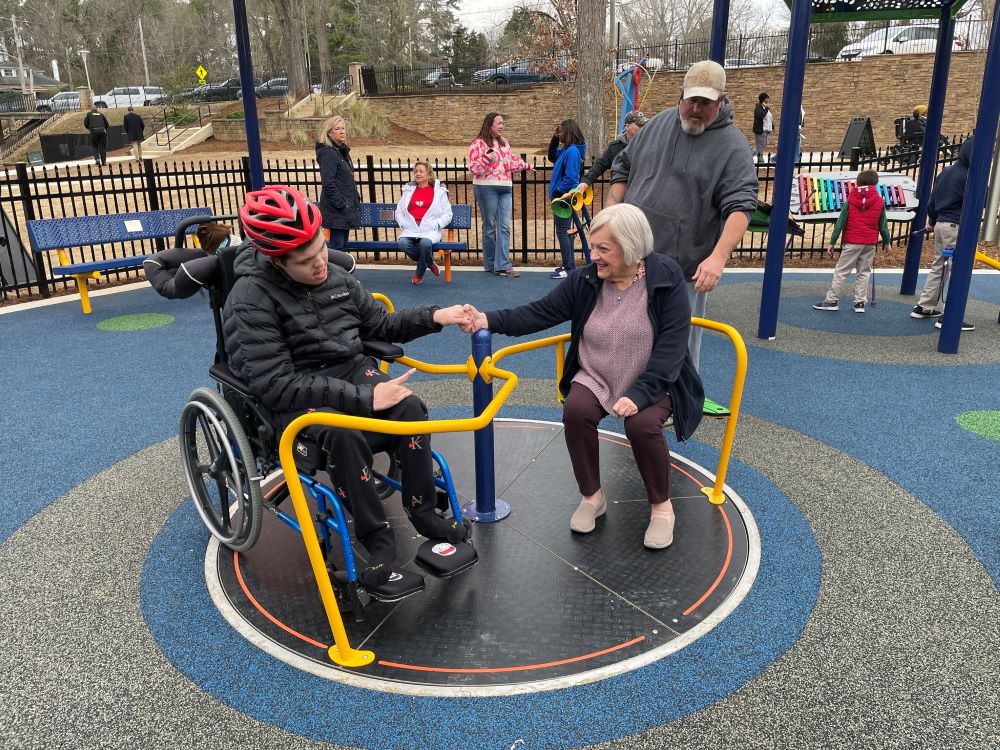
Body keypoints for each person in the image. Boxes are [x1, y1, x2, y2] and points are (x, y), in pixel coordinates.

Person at [223, 185, 471, 587]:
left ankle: (425, 514)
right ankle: (378, 544)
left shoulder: (336, 277)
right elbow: (276, 383)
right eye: (305, 261)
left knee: (410, 407)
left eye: (321, 248)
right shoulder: (249, 299)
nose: (321, 263)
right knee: (344, 435)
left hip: (352, 372)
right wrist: (366, 398)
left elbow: (382, 325)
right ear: (276, 260)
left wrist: (437, 315)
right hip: (298, 391)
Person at [462, 204, 704, 549]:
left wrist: (638, 395)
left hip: (653, 379)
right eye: (593, 247)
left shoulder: (666, 278)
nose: (594, 256)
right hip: (597, 373)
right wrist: (488, 319)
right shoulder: (587, 279)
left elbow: (672, 349)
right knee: (576, 411)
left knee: (641, 425)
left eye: (603, 249)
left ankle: (662, 508)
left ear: (632, 247)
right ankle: (592, 497)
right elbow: (540, 313)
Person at [609, 59, 758, 372]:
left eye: (706, 103)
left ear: (723, 99)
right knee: (627, 340)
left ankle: (676, 409)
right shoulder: (660, 124)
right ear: (681, 94)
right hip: (634, 258)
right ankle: (631, 403)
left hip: (682, 269)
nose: (696, 109)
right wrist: (611, 215)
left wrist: (718, 257)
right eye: (692, 100)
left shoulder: (732, 147)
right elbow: (623, 165)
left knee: (677, 350)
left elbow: (742, 204)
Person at [911, 136, 976, 331]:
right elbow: (980, 200)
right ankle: (950, 315)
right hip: (955, 226)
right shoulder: (969, 177)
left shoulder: (946, 171)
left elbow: (932, 200)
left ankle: (925, 306)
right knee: (957, 268)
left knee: (939, 266)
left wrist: (932, 221)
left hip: (941, 224)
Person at [812, 170, 891, 314]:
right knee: (864, 272)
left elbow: (841, 221)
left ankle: (832, 300)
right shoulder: (879, 201)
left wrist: (832, 241)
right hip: (869, 243)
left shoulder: (850, 200)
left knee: (842, 271)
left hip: (852, 241)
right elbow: (883, 225)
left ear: (858, 183)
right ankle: (860, 302)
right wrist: (887, 241)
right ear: (876, 184)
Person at [468, 112, 532, 277]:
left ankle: (503, 265)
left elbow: (510, 163)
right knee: (489, 226)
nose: (502, 126)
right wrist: (486, 158)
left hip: (505, 187)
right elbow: (474, 169)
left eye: (503, 123)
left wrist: (526, 165)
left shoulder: (504, 143)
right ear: (489, 125)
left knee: (504, 227)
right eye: (499, 123)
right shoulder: (478, 143)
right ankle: (490, 263)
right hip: (486, 187)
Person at [395, 161, 452, 285]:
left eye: (421, 171)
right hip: (411, 230)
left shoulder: (439, 192)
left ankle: (418, 274)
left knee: (425, 244)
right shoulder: (408, 190)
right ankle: (429, 262)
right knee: (403, 243)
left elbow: (448, 214)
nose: (417, 173)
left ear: (429, 175)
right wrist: (403, 224)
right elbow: (399, 211)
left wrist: (436, 224)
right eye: (415, 171)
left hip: (429, 230)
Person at [574, 110, 648, 199]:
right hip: (621, 196)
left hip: (643, 195)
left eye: (644, 125)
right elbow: (600, 165)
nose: (643, 128)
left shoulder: (649, 145)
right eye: (640, 125)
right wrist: (586, 181)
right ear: (627, 126)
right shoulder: (614, 147)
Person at [547, 119, 588, 279]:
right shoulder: (567, 150)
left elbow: (571, 178)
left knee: (562, 231)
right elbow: (552, 156)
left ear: (569, 133)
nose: (559, 134)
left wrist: (558, 192)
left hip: (564, 197)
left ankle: (568, 267)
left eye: (561, 132)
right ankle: (569, 265)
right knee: (566, 231)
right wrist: (555, 137)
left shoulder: (571, 152)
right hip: (563, 196)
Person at [316, 115, 361, 251]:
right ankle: (332, 273)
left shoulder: (341, 152)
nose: (342, 131)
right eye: (337, 129)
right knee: (337, 249)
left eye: (343, 128)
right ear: (329, 133)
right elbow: (328, 183)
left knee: (342, 248)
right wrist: (342, 204)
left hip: (343, 211)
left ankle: (339, 272)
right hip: (336, 210)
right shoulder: (328, 153)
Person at [752, 93, 772, 162]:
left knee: (764, 144)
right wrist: (766, 109)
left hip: (766, 130)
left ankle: (751, 154)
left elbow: (769, 118)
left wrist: (772, 126)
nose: (768, 99)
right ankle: (760, 160)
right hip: (760, 130)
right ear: (763, 99)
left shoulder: (766, 108)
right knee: (760, 145)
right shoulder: (758, 107)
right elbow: (760, 115)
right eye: (767, 98)